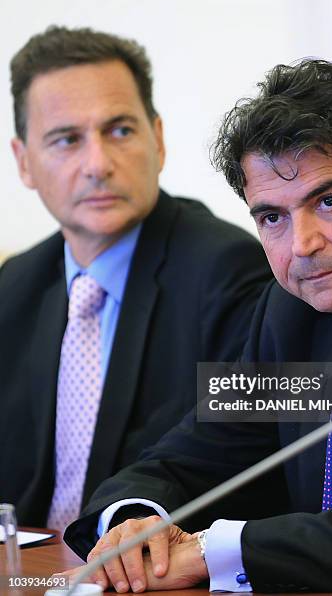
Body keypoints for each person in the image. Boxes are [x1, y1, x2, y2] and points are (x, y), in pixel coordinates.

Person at [64, 59, 332, 592]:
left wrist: (213, 552)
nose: (302, 245)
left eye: (328, 201)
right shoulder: (289, 313)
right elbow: (184, 458)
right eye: (273, 217)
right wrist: (134, 525)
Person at [0, 26, 272, 531]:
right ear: (24, 162)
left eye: (120, 131)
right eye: (67, 140)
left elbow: (227, 460)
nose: (98, 165)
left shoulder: (229, 271)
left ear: (159, 139)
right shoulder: (14, 285)